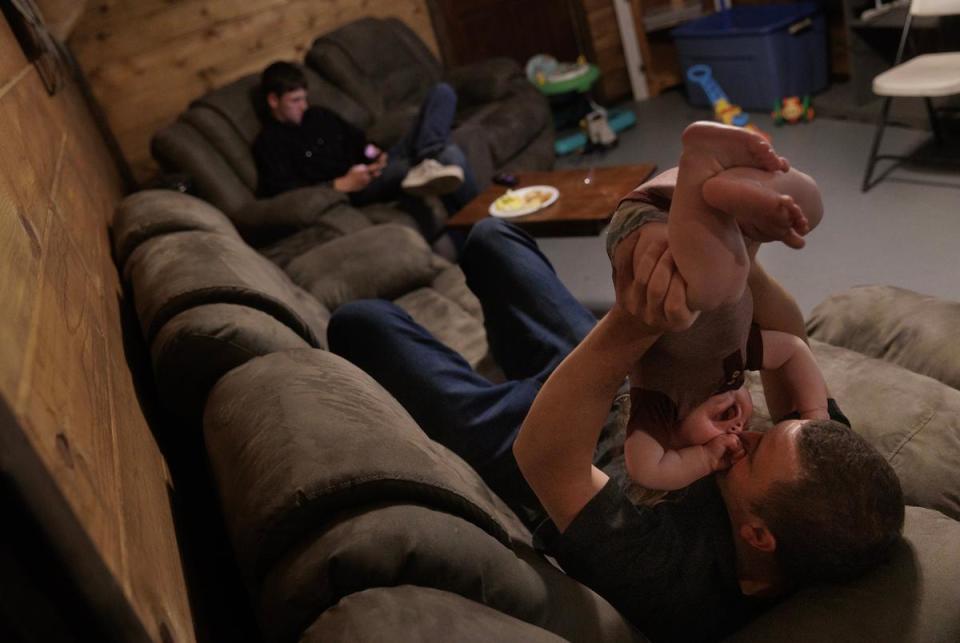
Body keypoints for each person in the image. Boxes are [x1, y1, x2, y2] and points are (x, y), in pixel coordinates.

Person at [328, 125, 904, 641]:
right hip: (640, 384)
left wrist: (636, 321)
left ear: (758, 536)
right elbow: (786, 338)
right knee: (490, 237)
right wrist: (736, 253)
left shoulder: (680, 585)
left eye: (754, 451)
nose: (752, 430)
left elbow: (548, 459)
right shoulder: (827, 474)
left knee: (360, 324)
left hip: (541, 436)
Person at [613, 123, 834, 491]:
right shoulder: (734, 362)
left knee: (717, 288)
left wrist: (704, 458)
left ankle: (704, 164)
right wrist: (813, 419)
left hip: (645, 223)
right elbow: (794, 350)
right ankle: (726, 188)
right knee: (809, 206)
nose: (735, 431)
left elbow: (645, 469)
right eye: (744, 428)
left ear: (671, 436)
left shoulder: (661, 399)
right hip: (701, 211)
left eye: (718, 437)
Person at [252, 61, 478, 216]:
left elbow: (360, 141)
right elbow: (283, 194)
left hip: (377, 165)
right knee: (450, 155)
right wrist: (338, 185)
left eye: (304, 98)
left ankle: (430, 154)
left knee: (442, 92)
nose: (304, 106)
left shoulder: (318, 115)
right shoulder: (269, 143)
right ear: (273, 100)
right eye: (295, 100)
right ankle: (433, 160)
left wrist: (375, 154)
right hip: (360, 187)